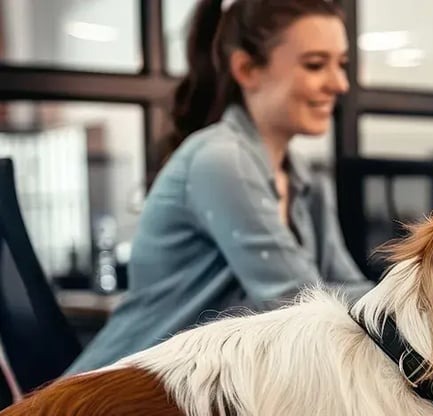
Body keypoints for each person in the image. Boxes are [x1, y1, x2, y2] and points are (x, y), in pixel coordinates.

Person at [66, 0, 372, 374]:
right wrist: (420, 300)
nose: (339, 83)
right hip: (125, 394)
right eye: (314, 65)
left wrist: (421, 299)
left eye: (341, 64)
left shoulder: (306, 179)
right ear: (246, 69)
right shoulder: (221, 158)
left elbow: (346, 286)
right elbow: (296, 303)